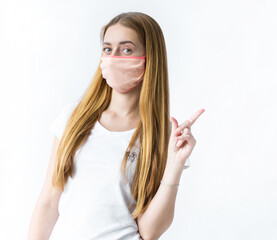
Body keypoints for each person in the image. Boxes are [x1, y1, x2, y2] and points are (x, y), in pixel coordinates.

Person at [27, 11, 205, 240]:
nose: (113, 57)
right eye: (108, 49)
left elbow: (149, 232)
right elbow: (48, 203)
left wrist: (175, 166)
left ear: (149, 57)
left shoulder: (163, 135)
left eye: (127, 49)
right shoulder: (73, 118)